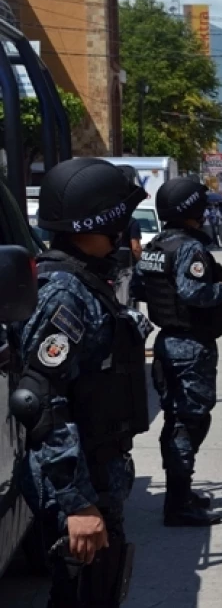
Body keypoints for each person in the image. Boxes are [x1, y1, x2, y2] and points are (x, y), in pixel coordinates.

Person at [9, 158, 152, 606]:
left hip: (96, 472)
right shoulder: (65, 294)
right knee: (82, 594)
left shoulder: (87, 282)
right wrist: (77, 503)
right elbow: (40, 401)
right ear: (102, 219)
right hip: (77, 479)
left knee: (97, 590)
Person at [131, 177, 222, 527]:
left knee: (181, 420)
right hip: (190, 346)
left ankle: (182, 492)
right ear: (189, 210)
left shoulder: (156, 246)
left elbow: (140, 287)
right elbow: (194, 294)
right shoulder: (189, 248)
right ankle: (178, 504)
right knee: (188, 423)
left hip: (168, 343)